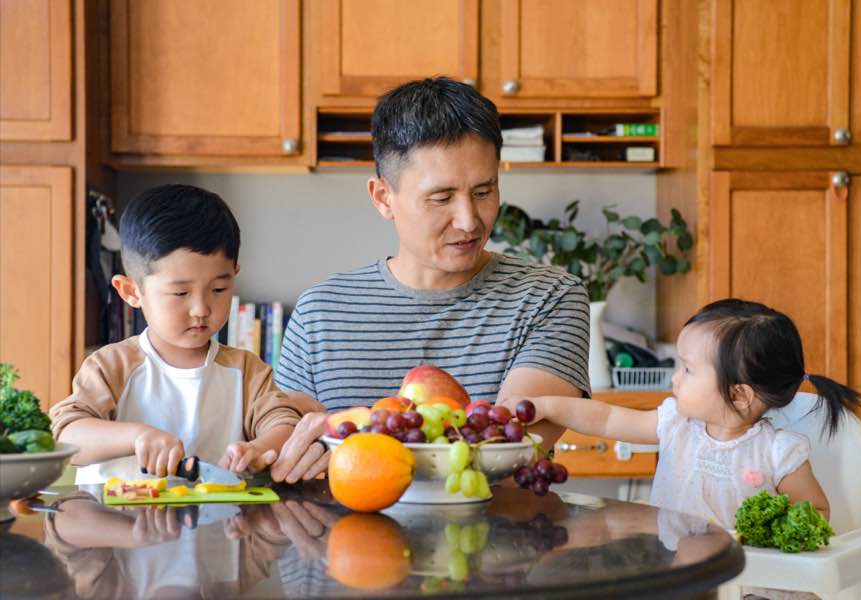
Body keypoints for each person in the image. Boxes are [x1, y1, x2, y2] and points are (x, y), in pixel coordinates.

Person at [270, 77, 591, 484]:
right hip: (349, 540)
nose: (469, 220)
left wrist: (343, 433)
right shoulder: (321, 310)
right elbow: (289, 440)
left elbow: (512, 446)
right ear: (383, 198)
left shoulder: (550, 298)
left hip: (501, 540)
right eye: (441, 198)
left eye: (484, 191)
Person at [501, 298, 861, 527]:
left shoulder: (779, 452)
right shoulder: (676, 424)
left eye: (688, 369)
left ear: (738, 395)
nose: (676, 378)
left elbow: (816, 512)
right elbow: (607, 419)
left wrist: (772, 536)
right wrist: (548, 405)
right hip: (680, 574)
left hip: (750, 585)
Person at [51, 184, 305, 483]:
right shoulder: (111, 366)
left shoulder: (246, 371)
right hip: (117, 524)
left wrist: (257, 449)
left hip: (219, 525)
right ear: (132, 291)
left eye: (218, 289)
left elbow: (284, 423)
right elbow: (67, 434)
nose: (201, 308)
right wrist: (137, 437)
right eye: (180, 292)